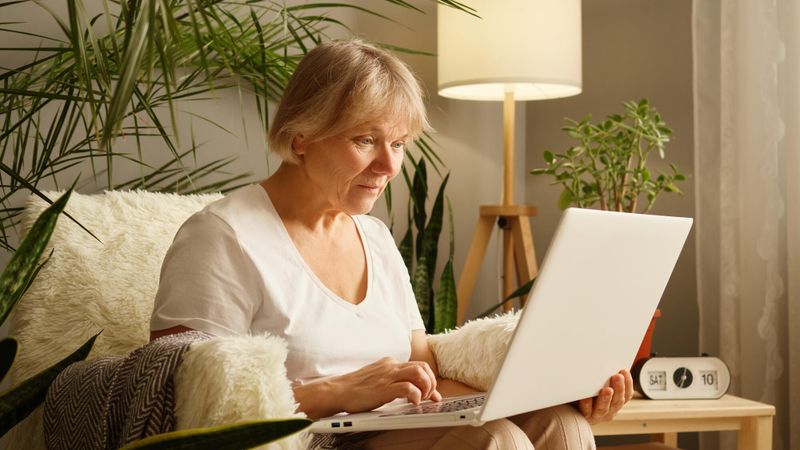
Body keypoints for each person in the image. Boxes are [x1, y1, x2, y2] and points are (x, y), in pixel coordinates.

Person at [150, 39, 633, 449]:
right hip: (314, 440)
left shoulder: (375, 238)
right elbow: (188, 400)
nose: (389, 166)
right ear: (301, 138)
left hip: (397, 427)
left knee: (561, 425)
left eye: (399, 143)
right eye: (366, 139)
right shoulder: (221, 236)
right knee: (494, 441)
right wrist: (340, 390)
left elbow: (425, 377)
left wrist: (548, 391)